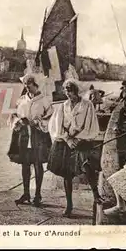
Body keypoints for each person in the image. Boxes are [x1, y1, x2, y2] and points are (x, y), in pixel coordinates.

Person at [47, 79, 103, 218]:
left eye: (70, 91)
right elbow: (56, 125)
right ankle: (69, 205)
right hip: (66, 141)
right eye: (66, 91)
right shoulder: (62, 106)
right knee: (67, 174)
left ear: (76, 91)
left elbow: (90, 124)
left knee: (87, 166)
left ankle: (96, 195)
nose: (68, 95)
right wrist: (67, 138)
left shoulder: (87, 105)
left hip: (81, 140)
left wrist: (78, 139)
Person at [7, 74, 53, 207]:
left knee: (38, 163)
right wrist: (18, 121)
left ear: (36, 85)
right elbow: (15, 114)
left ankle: (37, 195)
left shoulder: (44, 100)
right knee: (25, 163)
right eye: (25, 85)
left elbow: (49, 117)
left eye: (29, 85)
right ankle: (26, 193)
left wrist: (36, 122)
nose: (27, 87)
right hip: (24, 134)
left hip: (38, 135)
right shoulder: (22, 99)